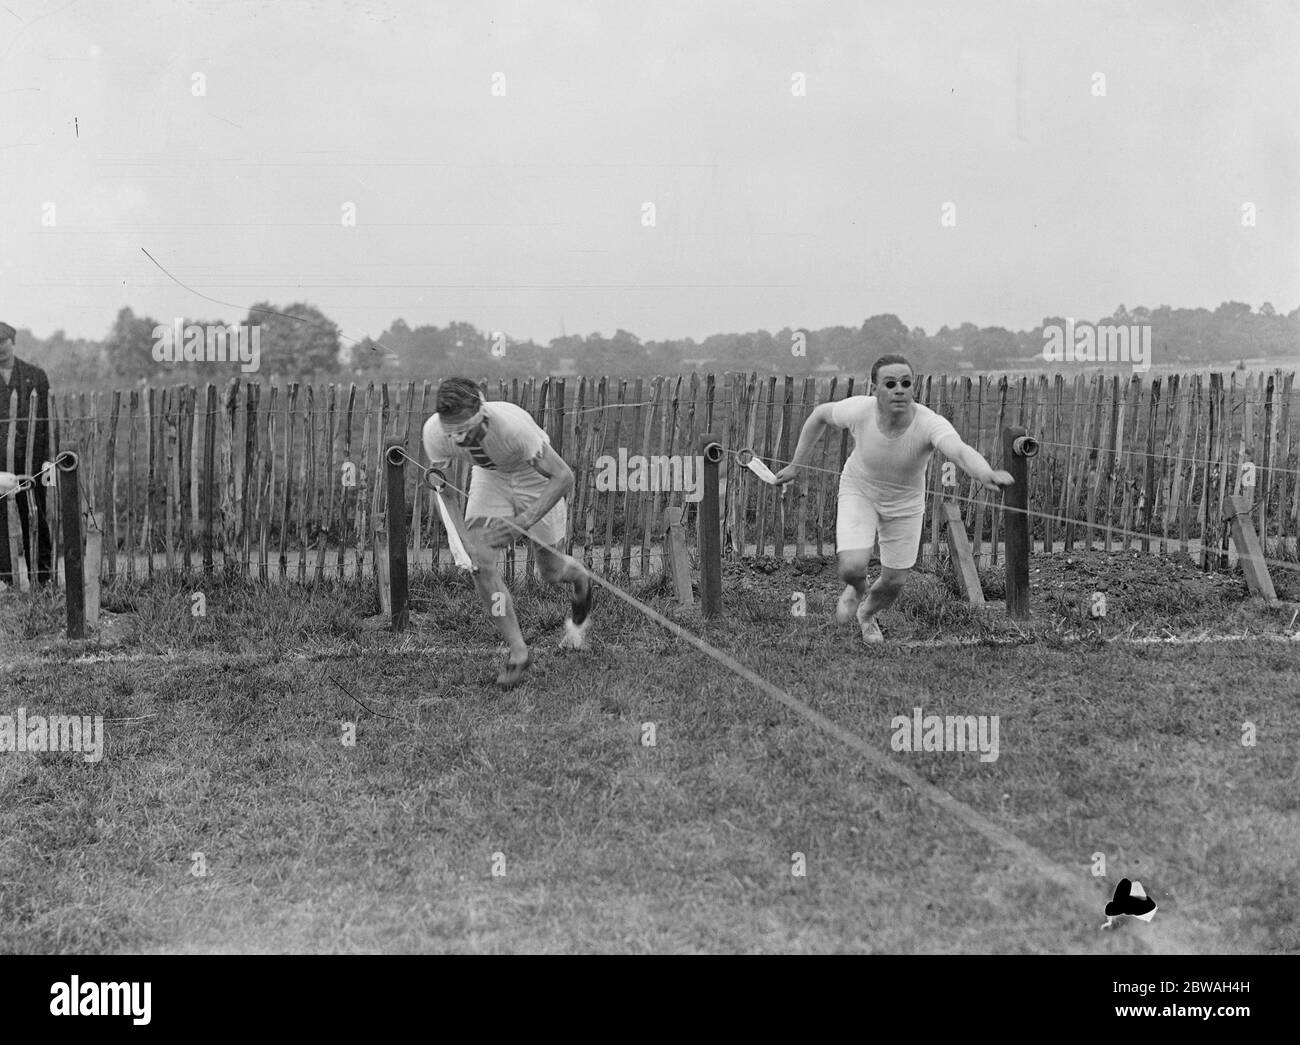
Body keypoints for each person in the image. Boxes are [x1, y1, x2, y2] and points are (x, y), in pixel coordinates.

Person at [773, 355, 1013, 644]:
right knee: (852, 567)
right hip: (859, 491)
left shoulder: (929, 423)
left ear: (914, 388)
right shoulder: (859, 410)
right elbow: (819, 415)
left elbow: (959, 451)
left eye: (905, 383)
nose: (899, 389)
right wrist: (796, 466)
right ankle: (856, 587)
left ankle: (867, 614)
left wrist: (985, 473)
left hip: (905, 504)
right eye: (890, 383)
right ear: (875, 388)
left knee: (894, 581)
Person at [421, 377, 594, 687]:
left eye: (466, 430)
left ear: (482, 412)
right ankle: (518, 652)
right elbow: (444, 490)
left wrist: (523, 522)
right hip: (490, 477)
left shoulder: (514, 427)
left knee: (552, 572)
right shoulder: (434, 432)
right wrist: (466, 542)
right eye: (453, 434)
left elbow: (563, 476)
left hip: (534, 477)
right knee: (481, 566)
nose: (460, 440)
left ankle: (581, 577)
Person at [0, 321, 53, 587]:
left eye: (3, 342)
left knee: (35, 516)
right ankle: (6, 582)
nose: (0, 349)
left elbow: (44, 428)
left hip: (29, 463)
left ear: (13, 342)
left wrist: (45, 469)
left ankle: (42, 580)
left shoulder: (34, 376)